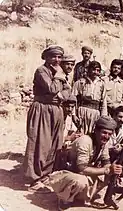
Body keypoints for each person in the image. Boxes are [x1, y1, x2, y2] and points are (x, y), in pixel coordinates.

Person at [23, 45, 71, 192]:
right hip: (42, 109)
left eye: (59, 57)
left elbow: (68, 90)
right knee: (40, 144)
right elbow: (52, 89)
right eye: (53, 56)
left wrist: (62, 95)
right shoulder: (42, 71)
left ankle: (46, 176)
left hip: (56, 110)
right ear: (46, 57)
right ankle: (34, 179)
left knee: (54, 144)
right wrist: (58, 79)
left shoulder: (59, 72)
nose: (56, 60)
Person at [49, 116, 122, 209]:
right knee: (80, 182)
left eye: (109, 134)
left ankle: (78, 196)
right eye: (104, 133)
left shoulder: (103, 143)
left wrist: (113, 170)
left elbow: (106, 161)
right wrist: (107, 170)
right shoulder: (85, 141)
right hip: (65, 174)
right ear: (96, 131)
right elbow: (82, 169)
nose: (106, 136)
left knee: (109, 176)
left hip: (81, 173)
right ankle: (64, 198)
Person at [72, 61, 108, 134]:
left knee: (93, 134)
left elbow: (103, 101)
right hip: (82, 111)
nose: (95, 72)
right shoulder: (80, 82)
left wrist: (103, 116)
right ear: (89, 70)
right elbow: (73, 99)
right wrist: (73, 114)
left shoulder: (102, 84)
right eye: (93, 69)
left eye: (98, 70)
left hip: (95, 113)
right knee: (80, 133)